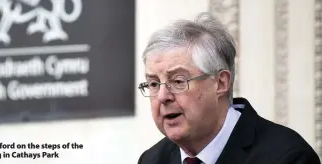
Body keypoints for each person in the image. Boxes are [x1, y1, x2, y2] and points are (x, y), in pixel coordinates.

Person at [137, 12, 321, 164]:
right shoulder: (152, 160)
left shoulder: (288, 158)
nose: (162, 96)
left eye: (177, 81)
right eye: (153, 84)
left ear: (221, 83)